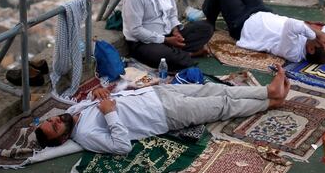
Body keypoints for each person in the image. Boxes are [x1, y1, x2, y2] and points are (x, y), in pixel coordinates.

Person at [34, 66, 292, 154]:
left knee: (213, 89)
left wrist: (96, 93)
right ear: (64, 138)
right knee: (222, 106)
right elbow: (122, 146)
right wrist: (109, 112)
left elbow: (95, 97)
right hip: (165, 114)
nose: (57, 119)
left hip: (157, 93)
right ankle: (271, 99)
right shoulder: (87, 135)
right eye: (56, 126)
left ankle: (268, 93)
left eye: (53, 119)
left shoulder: (76, 112)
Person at [202, 0, 325, 64]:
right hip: (260, 11)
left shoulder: (293, 52)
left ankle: (209, 19)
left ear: (311, 49)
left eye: (323, 42)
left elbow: (291, 25)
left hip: (242, 24)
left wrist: (318, 33)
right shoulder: (312, 40)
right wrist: (324, 36)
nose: (323, 39)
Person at [122, 0, 214, 70]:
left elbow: (171, 13)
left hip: (167, 35)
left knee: (206, 28)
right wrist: (165, 40)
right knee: (165, 56)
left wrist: (175, 31)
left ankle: (177, 53)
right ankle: (189, 54)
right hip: (145, 43)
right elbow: (135, 30)